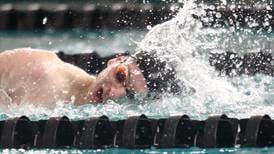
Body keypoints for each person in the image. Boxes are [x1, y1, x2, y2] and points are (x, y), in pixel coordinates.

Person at [0, 48, 179, 106]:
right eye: (121, 76)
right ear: (115, 61)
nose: (115, 93)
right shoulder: (39, 68)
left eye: (130, 95)